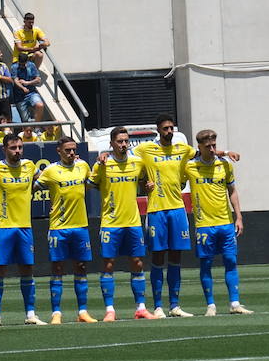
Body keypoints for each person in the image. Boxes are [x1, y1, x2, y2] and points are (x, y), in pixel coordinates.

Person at [134, 114, 212, 317]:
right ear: (158, 130)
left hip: (178, 209)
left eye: (171, 128)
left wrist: (227, 152)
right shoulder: (145, 150)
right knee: (158, 256)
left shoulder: (183, 150)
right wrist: (143, 183)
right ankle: (158, 306)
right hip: (156, 210)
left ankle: (174, 305)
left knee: (176, 256)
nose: (169, 131)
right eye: (165, 128)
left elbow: (204, 151)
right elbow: (129, 162)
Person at [181, 128, 252, 315]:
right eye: (208, 146)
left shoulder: (225, 165)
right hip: (204, 225)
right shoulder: (190, 167)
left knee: (230, 260)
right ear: (200, 147)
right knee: (206, 264)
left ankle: (235, 304)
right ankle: (210, 305)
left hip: (225, 222)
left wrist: (239, 217)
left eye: (214, 145)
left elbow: (232, 191)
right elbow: (178, 182)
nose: (212, 149)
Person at [0, 131, 43, 327]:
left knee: (27, 269)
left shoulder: (29, 166)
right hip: (2, 227)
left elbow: (43, 179)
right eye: (13, 148)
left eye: (20, 147)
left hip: (24, 226)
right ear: (4, 149)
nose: (17, 151)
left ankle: (30, 313)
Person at [92, 126, 153, 320]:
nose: (124, 144)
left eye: (126, 141)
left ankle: (141, 308)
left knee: (137, 262)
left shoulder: (137, 163)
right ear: (111, 144)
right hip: (111, 222)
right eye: (119, 141)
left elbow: (143, 182)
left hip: (133, 221)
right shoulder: (102, 164)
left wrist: (147, 186)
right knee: (108, 264)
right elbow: (91, 184)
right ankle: (110, 310)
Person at [35, 136, 97, 324]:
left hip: (80, 226)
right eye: (67, 150)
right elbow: (31, 187)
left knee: (81, 267)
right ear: (59, 151)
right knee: (57, 268)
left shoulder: (83, 167)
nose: (71, 153)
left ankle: (83, 312)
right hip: (58, 227)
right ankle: (56, 313)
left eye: (73, 149)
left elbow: (95, 182)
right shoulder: (51, 171)